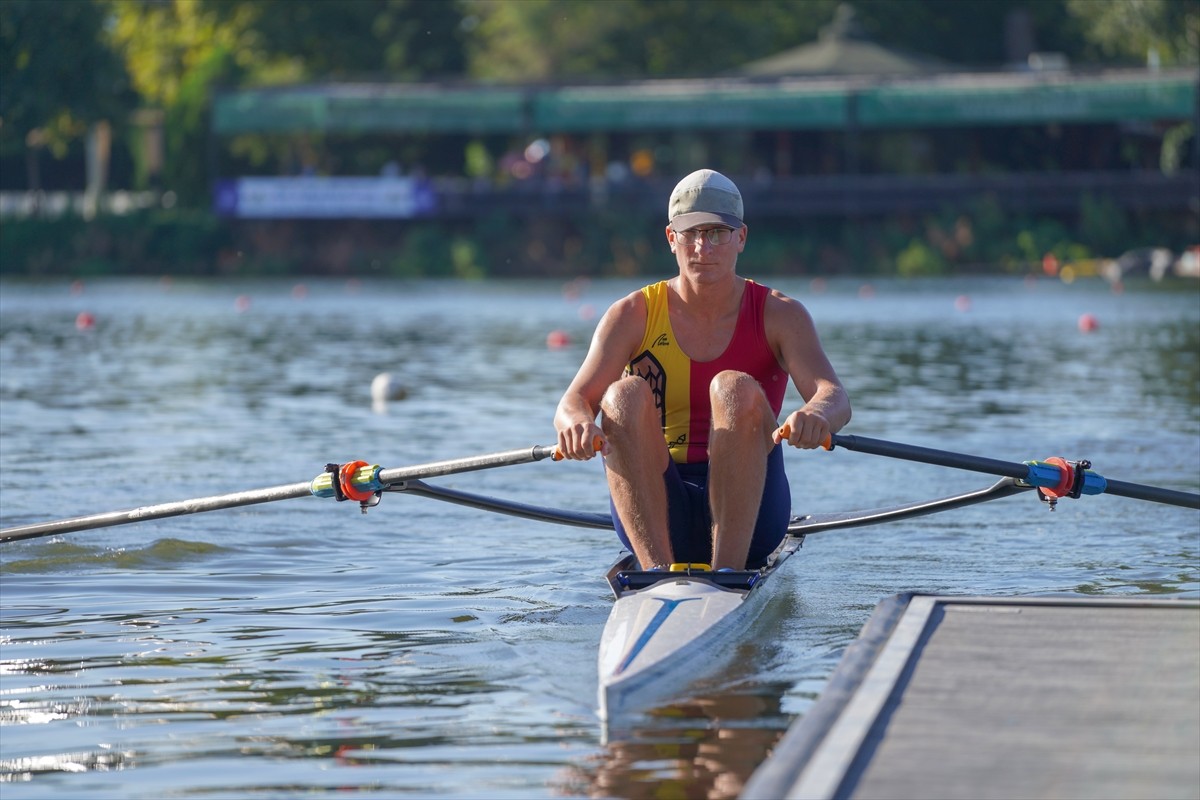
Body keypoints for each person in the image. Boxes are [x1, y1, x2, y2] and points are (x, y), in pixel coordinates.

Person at [554, 169, 851, 571]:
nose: (702, 246)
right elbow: (572, 402)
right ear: (670, 238)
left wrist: (816, 415)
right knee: (621, 395)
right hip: (657, 505)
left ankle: (727, 576)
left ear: (741, 238)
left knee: (733, 388)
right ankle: (655, 574)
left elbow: (833, 396)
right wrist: (576, 424)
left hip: (752, 512)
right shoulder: (631, 315)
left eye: (716, 232)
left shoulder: (782, 315)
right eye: (690, 233)